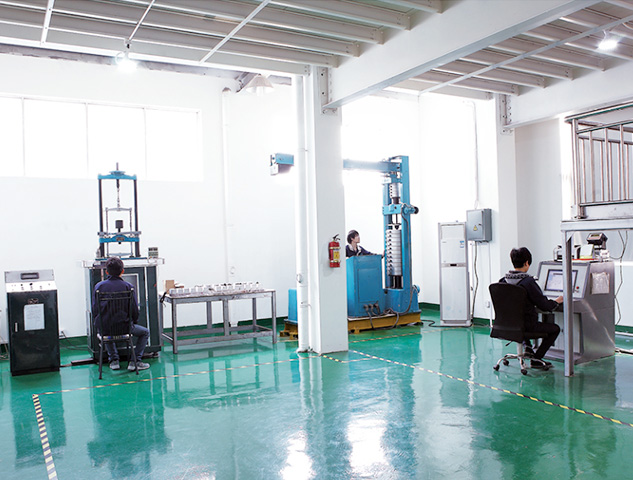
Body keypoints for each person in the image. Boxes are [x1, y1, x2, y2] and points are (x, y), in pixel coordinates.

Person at [500, 247, 562, 369]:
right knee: (555, 329)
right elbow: (544, 305)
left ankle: (528, 347)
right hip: (527, 326)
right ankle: (537, 359)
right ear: (527, 263)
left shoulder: (502, 281)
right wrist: (556, 301)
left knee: (521, 321)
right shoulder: (528, 282)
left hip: (507, 326)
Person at [92, 257, 150, 371]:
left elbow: (95, 309)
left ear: (106, 271)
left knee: (106, 325)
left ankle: (114, 360)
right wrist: (133, 322)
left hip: (105, 329)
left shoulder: (99, 287)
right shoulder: (128, 287)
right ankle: (135, 362)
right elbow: (134, 310)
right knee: (145, 332)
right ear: (122, 271)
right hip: (125, 327)